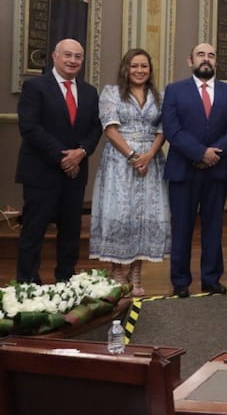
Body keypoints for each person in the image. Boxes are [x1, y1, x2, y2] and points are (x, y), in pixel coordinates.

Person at [16, 38, 102, 285]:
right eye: (67, 55)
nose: (73, 60)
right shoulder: (35, 87)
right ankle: (28, 284)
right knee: (34, 231)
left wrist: (81, 152)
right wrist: (63, 156)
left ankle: (66, 281)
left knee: (70, 232)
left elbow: (95, 128)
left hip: (75, 174)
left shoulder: (89, 92)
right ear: (54, 56)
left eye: (77, 56)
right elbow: (30, 128)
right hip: (41, 173)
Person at [162, 42, 227, 297]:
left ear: (216, 61)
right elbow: (171, 129)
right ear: (190, 61)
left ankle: (211, 278)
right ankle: (180, 281)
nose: (206, 59)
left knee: (213, 227)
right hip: (183, 170)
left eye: (210, 55)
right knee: (182, 227)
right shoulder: (174, 91)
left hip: (217, 171)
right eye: (200, 54)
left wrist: (212, 154)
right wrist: (199, 153)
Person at [89, 48, 168, 296]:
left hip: (151, 161)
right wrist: (133, 156)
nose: (139, 70)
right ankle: (116, 270)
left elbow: (163, 129)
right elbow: (109, 128)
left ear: (150, 69)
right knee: (120, 214)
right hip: (119, 162)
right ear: (126, 68)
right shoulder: (111, 93)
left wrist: (149, 155)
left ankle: (136, 272)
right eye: (135, 66)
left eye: (144, 66)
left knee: (144, 216)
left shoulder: (160, 95)